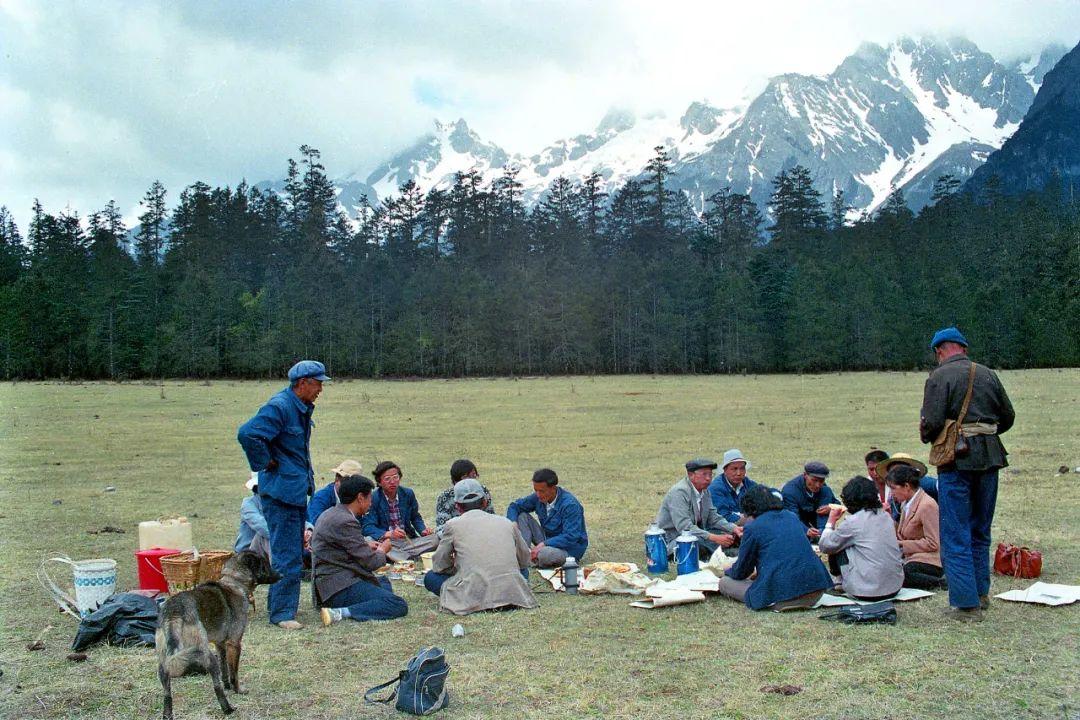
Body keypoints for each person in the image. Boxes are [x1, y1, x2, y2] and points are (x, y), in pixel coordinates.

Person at [921, 327, 1014, 621]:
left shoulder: (939, 376)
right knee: (980, 530)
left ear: (940, 351)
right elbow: (1008, 416)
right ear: (963, 347)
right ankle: (981, 594)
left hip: (956, 461)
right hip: (990, 457)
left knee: (956, 532)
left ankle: (965, 604)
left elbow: (931, 422)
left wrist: (932, 433)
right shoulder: (988, 374)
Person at [237, 359, 328, 630]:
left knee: (292, 549)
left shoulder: (299, 407)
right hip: (282, 493)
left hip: (295, 490)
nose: (321, 389)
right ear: (302, 383)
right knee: (287, 553)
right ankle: (281, 613)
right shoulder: (280, 406)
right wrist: (265, 461)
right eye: (317, 383)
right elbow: (248, 434)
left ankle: (284, 605)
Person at [423, 478, 537, 615]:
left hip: (473, 593)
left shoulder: (453, 525)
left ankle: (477, 601)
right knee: (523, 573)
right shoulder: (506, 523)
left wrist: (455, 565)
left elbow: (439, 565)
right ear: (484, 502)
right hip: (511, 591)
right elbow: (524, 561)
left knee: (430, 577)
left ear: (458, 506)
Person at [313, 475, 409, 625]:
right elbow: (372, 563)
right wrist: (383, 550)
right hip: (338, 586)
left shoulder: (331, 513)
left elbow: (340, 547)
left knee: (383, 583)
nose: (371, 503)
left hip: (330, 582)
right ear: (360, 498)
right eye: (369, 498)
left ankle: (371, 603)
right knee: (398, 604)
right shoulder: (345, 520)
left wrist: (365, 545)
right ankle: (341, 612)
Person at [718, 486, 833, 610]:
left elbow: (741, 571)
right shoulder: (791, 517)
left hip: (784, 596)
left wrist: (726, 571)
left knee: (724, 583)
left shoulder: (753, 527)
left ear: (750, 510)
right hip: (816, 591)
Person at [818, 476, 904, 601]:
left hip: (866, 591)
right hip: (894, 587)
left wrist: (831, 521)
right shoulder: (885, 515)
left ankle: (839, 581)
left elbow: (825, 546)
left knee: (837, 543)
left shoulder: (853, 522)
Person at [656, 459, 739, 560]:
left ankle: (722, 553)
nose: (708, 478)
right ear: (691, 475)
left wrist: (733, 528)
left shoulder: (705, 491)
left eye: (710, 474)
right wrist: (715, 538)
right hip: (674, 540)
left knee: (728, 536)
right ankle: (719, 555)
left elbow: (713, 517)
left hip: (696, 535)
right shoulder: (679, 492)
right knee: (697, 542)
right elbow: (685, 527)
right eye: (704, 474)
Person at [506, 468, 588, 568]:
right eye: (536, 490)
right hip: (546, 540)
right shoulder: (538, 497)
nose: (538, 495)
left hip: (568, 549)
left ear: (553, 488)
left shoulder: (570, 505)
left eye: (541, 491)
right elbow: (514, 506)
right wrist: (513, 523)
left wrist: (544, 544)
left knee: (545, 554)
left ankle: (525, 559)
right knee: (522, 516)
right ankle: (523, 552)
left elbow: (571, 536)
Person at [886, 464, 946, 590]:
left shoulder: (927, 505)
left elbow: (933, 543)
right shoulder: (904, 504)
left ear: (907, 486)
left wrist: (902, 545)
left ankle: (940, 583)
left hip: (930, 559)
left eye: (893, 488)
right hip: (910, 557)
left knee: (906, 572)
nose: (892, 493)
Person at [361, 461, 434, 542]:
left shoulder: (408, 494)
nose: (392, 482)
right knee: (369, 540)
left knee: (435, 539)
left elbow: (415, 517)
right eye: (387, 479)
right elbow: (368, 527)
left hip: (408, 539)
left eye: (395, 477)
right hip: (386, 541)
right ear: (379, 482)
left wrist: (423, 530)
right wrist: (390, 534)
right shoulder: (373, 498)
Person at [434, 459, 495, 535]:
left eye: (474, 476)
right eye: (466, 477)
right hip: (457, 536)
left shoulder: (483, 491)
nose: (470, 481)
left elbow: (491, 517)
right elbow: (441, 528)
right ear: (455, 481)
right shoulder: (445, 497)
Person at [781, 461, 838, 541]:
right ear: (805, 475)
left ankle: (824, 533)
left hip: (817, 522)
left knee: (826, 492)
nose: (818, 485)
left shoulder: (823, 488)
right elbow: (791, 518)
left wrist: (830, 507)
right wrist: (805, 530)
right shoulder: (790, 491)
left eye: (821, 481)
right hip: (799, 523)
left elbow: (838, 505)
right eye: (814, 480)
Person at [877, 453, 939, 522]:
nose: (895, 475)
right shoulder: (895, 496)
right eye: (893, 472)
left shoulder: (925, 484)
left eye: (899, 472)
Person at [707, 449, 761, 524]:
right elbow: (724, 517)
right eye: (734, 469)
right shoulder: (716, 488)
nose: (738, 473)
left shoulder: (748, 483)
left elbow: (764, 497)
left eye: (742, 468)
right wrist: (754, 518)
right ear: (725, 471)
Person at [307, 459, 363, 528]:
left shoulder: (358, 499)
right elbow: (317, 525)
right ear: (337, 480)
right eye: (348, 484)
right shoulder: (320, 498)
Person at [234, 472, 271, 562]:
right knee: (266, 535)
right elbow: (263, 527)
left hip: (266, 551)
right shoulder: (248, 504)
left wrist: (307, 530)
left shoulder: (276, 502)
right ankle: (280, 572)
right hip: (248, 554)